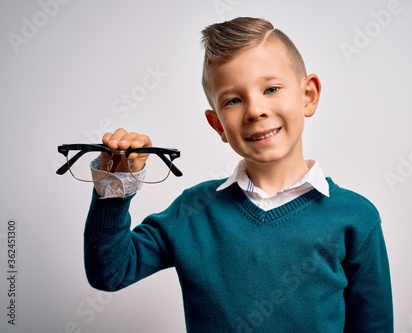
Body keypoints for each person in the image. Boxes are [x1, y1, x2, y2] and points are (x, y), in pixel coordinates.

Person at [84, 17, 393, 332]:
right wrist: (115, 183)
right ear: (218, 124)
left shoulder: (356, 218)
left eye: (271, 89)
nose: (255, 111)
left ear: (308, 95)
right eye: (233, 100)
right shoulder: (192, 210)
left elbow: (374, 325)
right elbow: (110, 272)